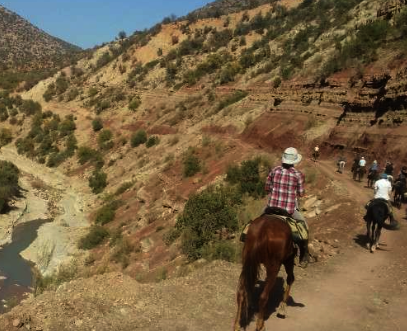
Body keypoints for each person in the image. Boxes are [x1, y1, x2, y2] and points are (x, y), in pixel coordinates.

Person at [265, 147, 309, 268]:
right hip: (288, 211)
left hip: (271, 208)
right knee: (304, 226)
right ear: (294, 161)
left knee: (256, 222)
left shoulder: (274, 170)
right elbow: (300, 193)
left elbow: (267, 187)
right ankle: (304, 254)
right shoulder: (298, 175)